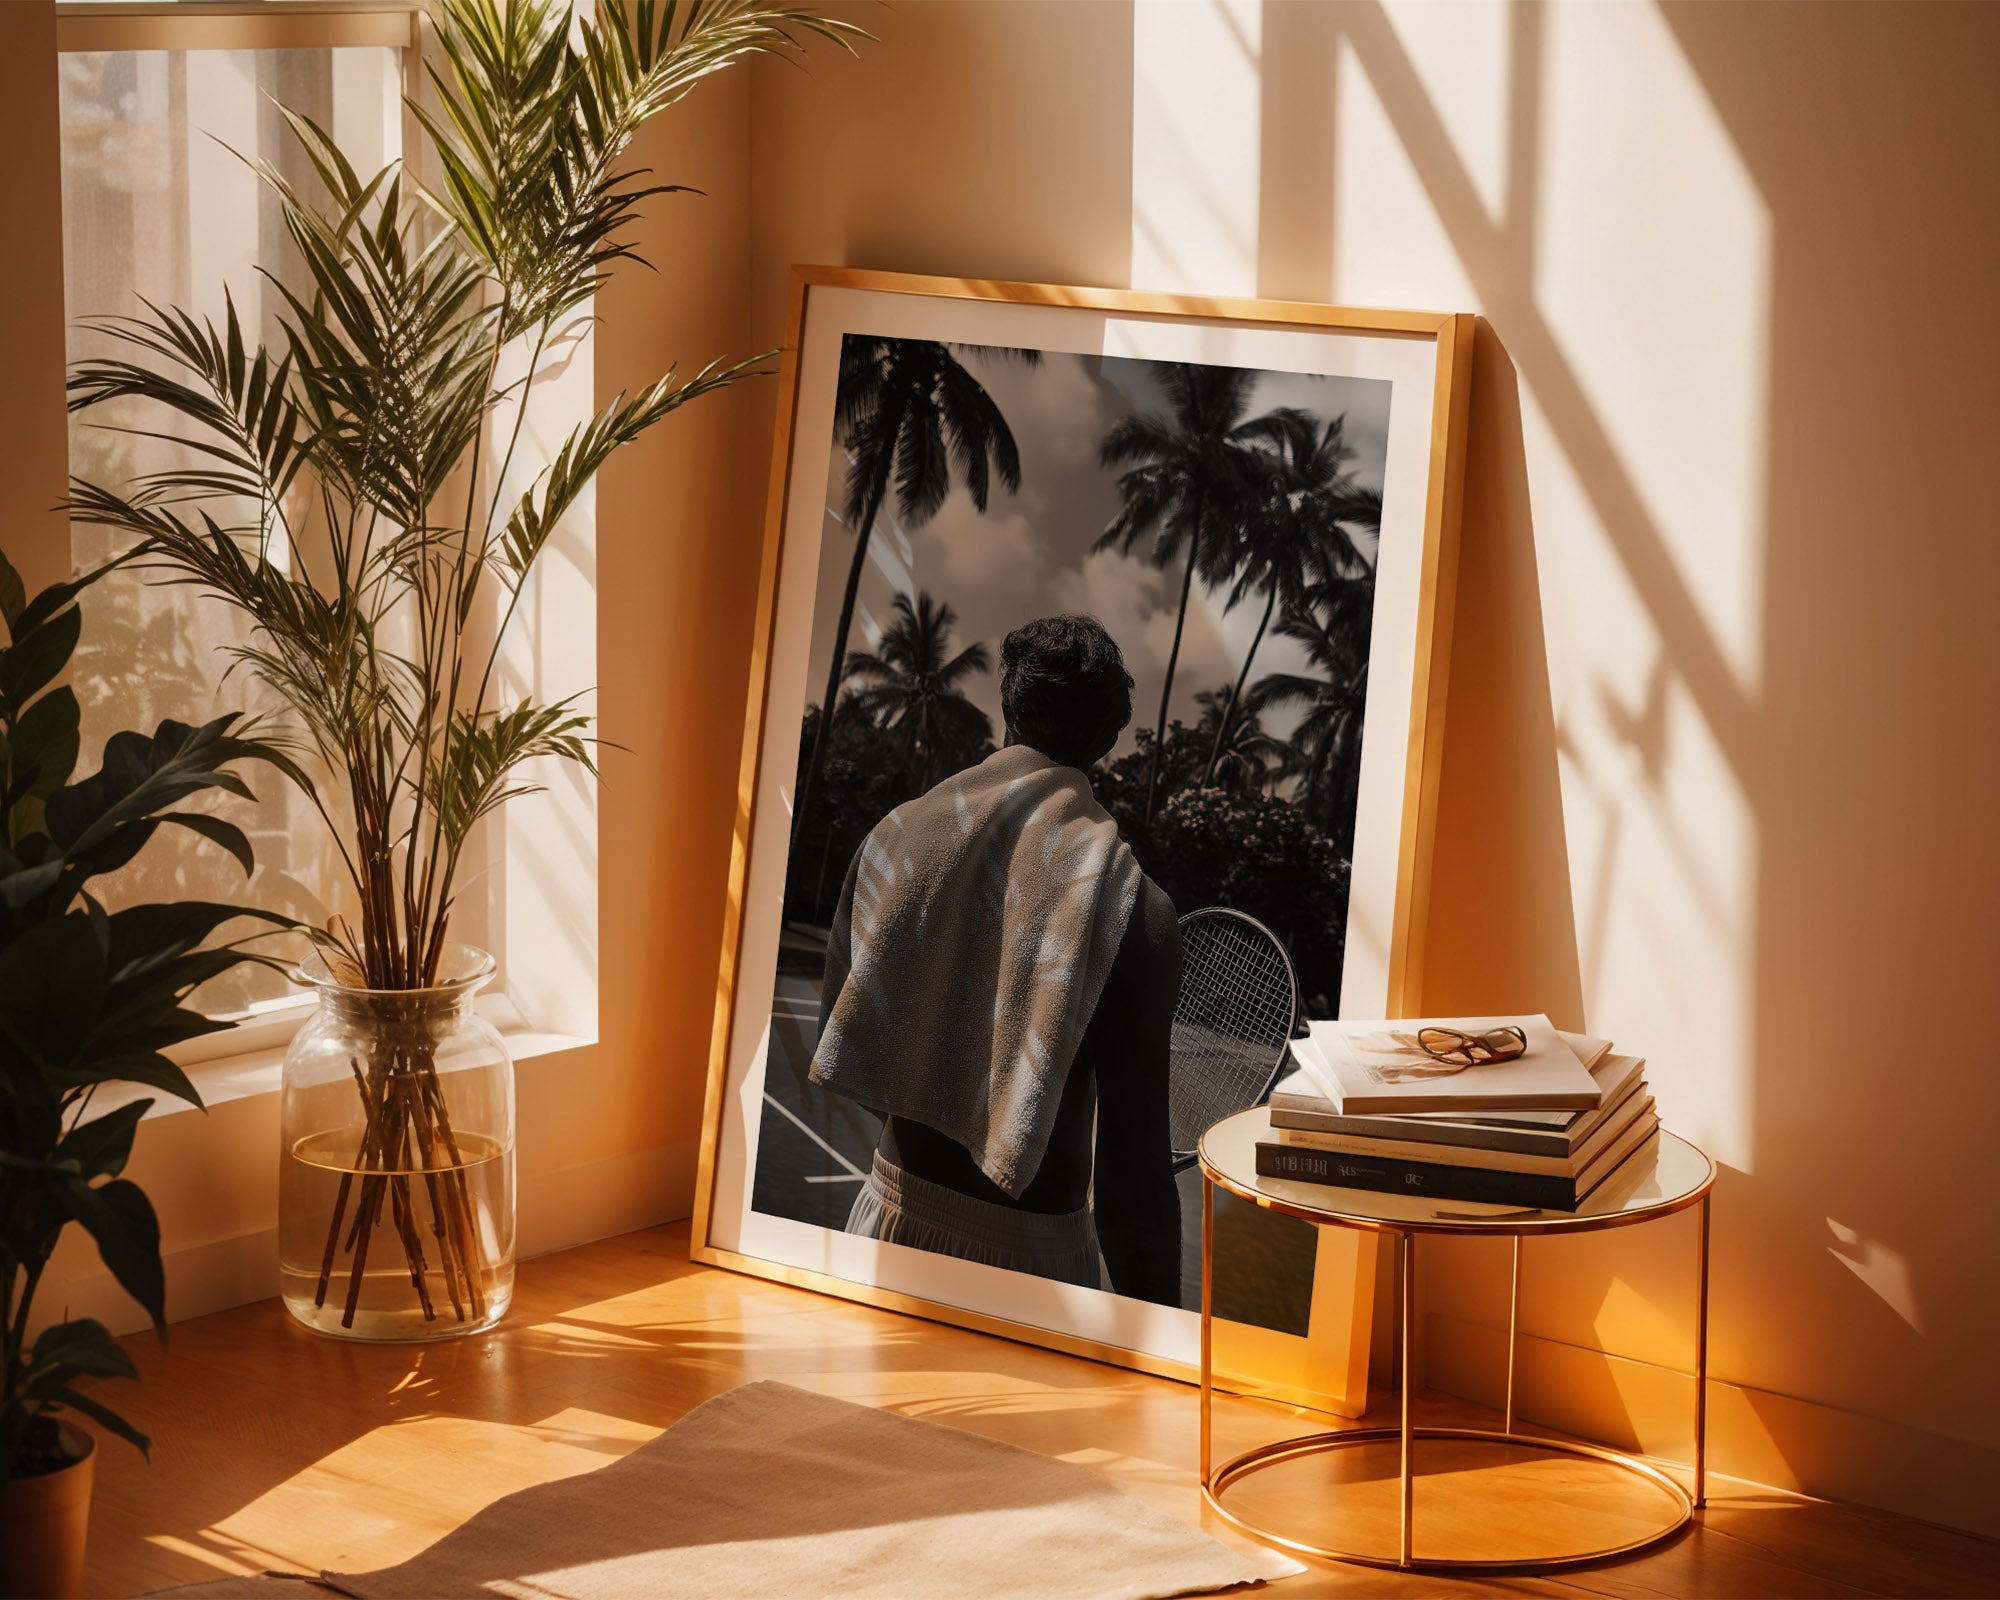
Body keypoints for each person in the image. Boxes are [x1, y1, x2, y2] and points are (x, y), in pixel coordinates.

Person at [809, 615, 1182, 1305]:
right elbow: (1133, 1184)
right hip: (1032, 1265)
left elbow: (852, 1031)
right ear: (1108, 739)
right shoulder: (1137, 911)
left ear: (1008, 708)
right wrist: (1163, 1345)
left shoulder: (894, 838)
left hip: (887, 1223)